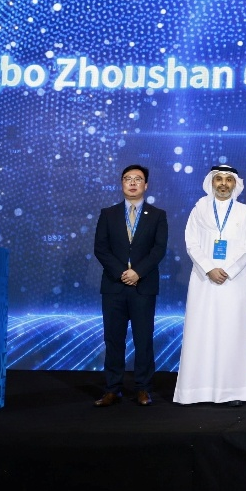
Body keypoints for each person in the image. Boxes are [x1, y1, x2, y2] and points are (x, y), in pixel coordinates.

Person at [174, 165, 246, 406]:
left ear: (235, 184)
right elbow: (191, 242)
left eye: (228, 180)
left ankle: (233, 391)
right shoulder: (199, 209)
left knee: (233, 333)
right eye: (218, 179)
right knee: (201, 332)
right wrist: (209, 268)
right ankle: (197, 391)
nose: (223, 184)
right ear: (211, 182)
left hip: (235, 282)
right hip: (204, 281)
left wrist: (228, 270)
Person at [93, 164, 168, 407]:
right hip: (114, 286)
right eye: (128, 178)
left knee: (143, 339)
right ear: (122, 183)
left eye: (138, 179)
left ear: (146, 185)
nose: (133, 183)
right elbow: (101, 249)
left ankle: (143, 388)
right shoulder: (108, 214)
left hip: (143, 286)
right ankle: (112, 389)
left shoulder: (157, 215)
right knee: (113, 339)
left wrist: (138, 272)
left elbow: (158, 250)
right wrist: (121, 273)